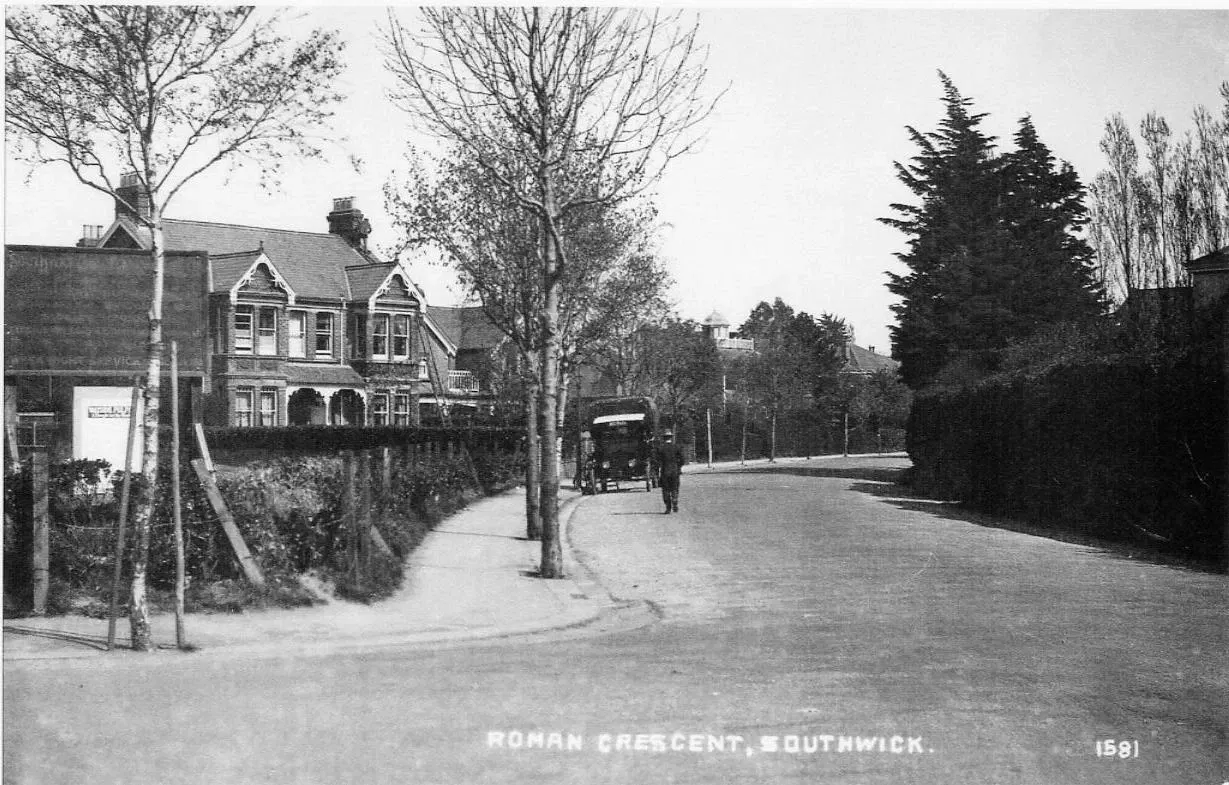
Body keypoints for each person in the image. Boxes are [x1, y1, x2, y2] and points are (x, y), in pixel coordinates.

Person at [654, 429, 686, 513]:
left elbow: (656, 460)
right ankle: (675, 501)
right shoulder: (677, 447)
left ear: (663, 438)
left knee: (666, 489)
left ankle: (668, 507)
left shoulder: (660, 448)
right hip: (675, 471)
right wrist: (678, 466)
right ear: (671, 438)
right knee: (675, 487)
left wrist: (659, 467)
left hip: (665, 471)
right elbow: (682, 459)